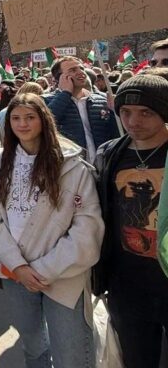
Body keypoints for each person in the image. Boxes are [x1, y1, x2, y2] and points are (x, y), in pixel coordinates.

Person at [0, 93, 104, 368]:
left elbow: (87, 226)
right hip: (15, 272)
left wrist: (45, 269)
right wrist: (18, 266)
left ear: (43, 120)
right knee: (33, 345)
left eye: (30, 117)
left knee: (70, 352)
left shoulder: (72, 165)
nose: (22, 124)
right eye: (15, 118)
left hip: (62, 274)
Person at [92, 75, 168, 368]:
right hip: (127, 285)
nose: (133, 120)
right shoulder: (109, 154)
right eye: (126, 112)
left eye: (146, 112)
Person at [45, 56, 119, 162]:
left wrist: (114, 112)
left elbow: (116, 133)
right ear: (59, 77)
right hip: (70, 167)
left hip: (103, 166)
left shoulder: (102, 99)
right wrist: (65, 94)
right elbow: (45, 123)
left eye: (81, 68)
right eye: (73, 70)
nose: (81, 72)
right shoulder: (45, 101)